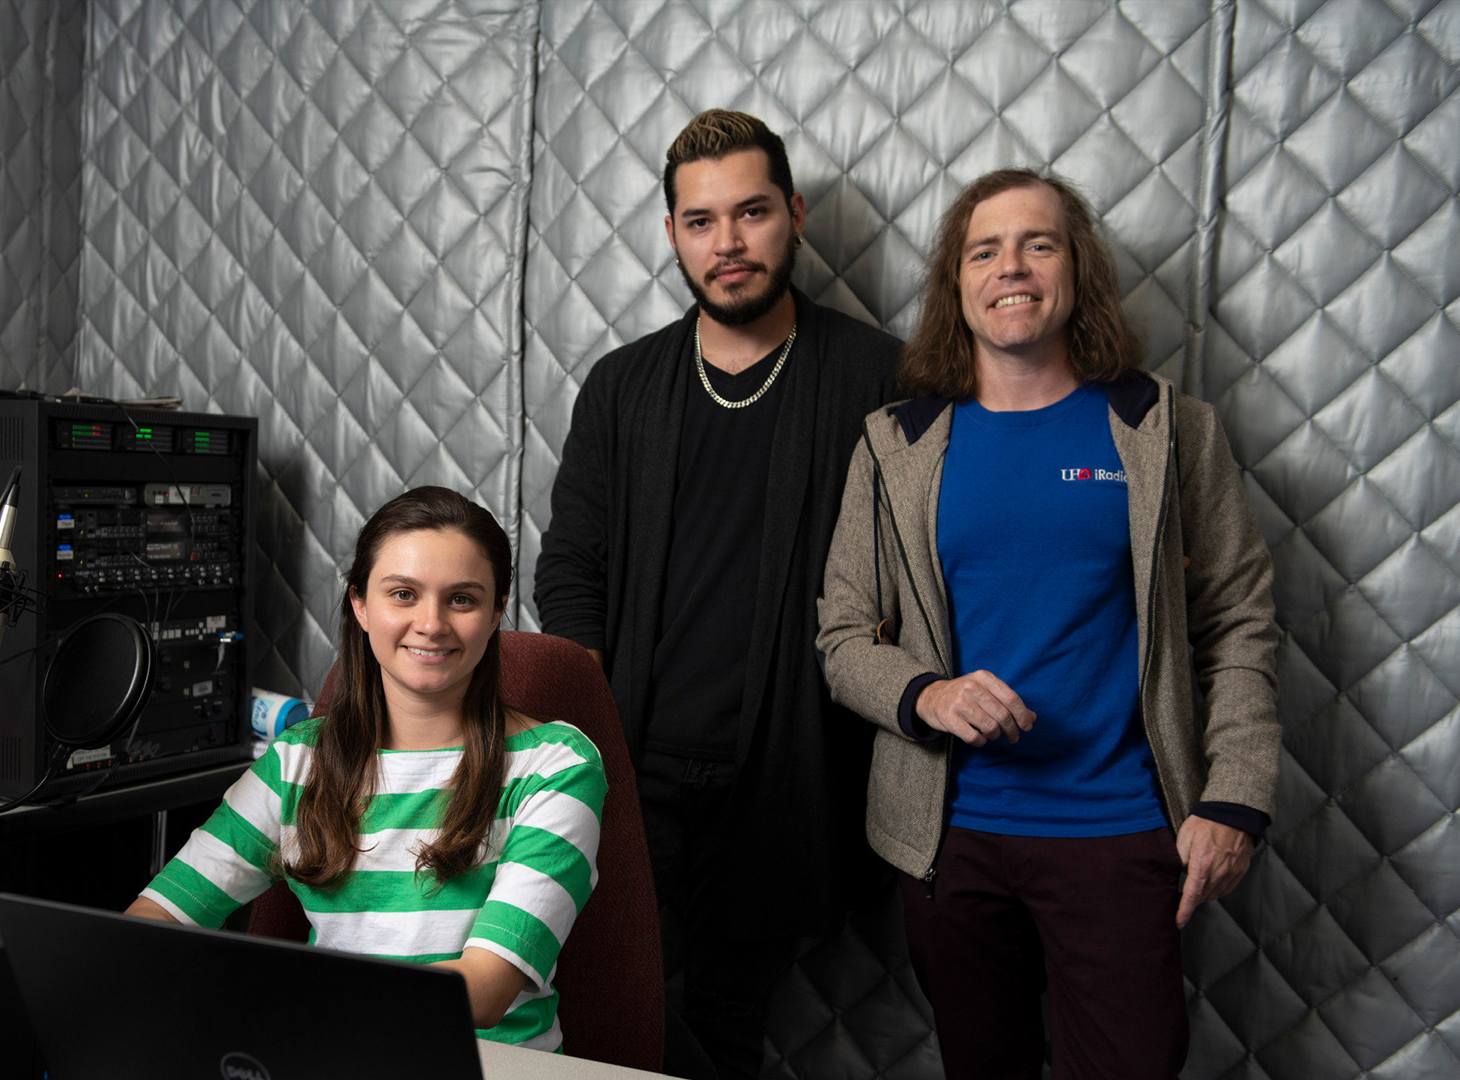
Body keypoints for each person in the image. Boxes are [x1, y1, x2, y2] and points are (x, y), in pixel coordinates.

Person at [815, 169, 1281, 1079]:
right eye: (984, 251)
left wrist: (1235, 798)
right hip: (950, 844)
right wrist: (928, 694)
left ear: (1078, 271)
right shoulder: (897, 442)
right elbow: (842, 638)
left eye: (1039, 243)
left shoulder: (1166, 428)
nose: (1011, 268)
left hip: (1121, 832)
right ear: (958, 284)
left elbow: (1240, 618)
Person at [535, 109, 899, 1080]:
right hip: (636, 764)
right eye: (701, 222)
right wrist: (593, 718)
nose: (727, 243)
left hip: (787, 773)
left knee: (730, 1024)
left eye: (751, 213)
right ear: (672, 235)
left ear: (796, 214)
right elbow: (572, 564)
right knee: (616, 1014)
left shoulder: (878, 375)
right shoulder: (624, 385)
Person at [129, 486, 606, 1053]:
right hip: (328, 1054)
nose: (431, 623)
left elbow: (481, 992)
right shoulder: (296, 763)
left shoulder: (556, 765)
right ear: (359, 604)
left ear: (497, 610)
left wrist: (268, 1001)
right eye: (403, 594)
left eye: (462, 599)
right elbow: (156, 920)